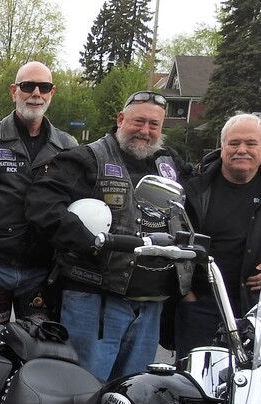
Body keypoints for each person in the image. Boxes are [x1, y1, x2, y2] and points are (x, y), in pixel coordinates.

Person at [27, 90, 192, 381]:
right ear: (120, 119)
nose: (145, 131)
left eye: (154, 125)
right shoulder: (88, 158)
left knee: (133, 391)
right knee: (85, 389)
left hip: (151, 303)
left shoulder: (168, 163)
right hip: (96, 300)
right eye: (138, 121)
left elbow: (199, 199)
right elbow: (42, 204)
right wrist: (90, 244)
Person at [0, 62, 77, 345]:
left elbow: (76, 211)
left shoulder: (67, 146)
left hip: (42, 273)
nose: (36, 93)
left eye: (44, 87)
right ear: (14, 91)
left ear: (52, 93)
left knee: (39, 352)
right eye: (28, 86)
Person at [175, 112, 261, 357]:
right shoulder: (195, 190)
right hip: (203, 309)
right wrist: (187, 295)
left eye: (251, 143)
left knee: (256, 379)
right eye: (234, 143)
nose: (242, 150)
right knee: (196, 379)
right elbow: (174, 245)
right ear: (222, 147)